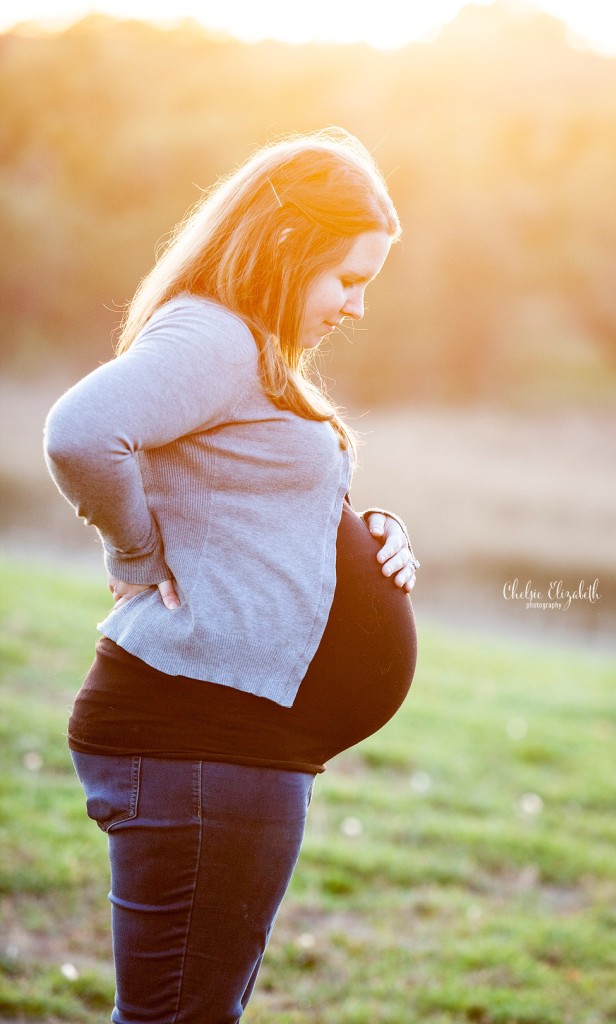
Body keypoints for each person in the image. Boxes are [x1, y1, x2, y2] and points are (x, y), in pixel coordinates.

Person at [44, 126, 418, 1024]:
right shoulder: (213, 335)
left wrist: (372, 530)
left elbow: (247, 502)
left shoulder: (247, 348)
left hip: (228, 742)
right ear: (287, 251)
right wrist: (134, 554)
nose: (357, 308)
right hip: (199, 739)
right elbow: (79, 434)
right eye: (349, 279)